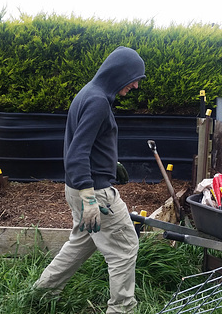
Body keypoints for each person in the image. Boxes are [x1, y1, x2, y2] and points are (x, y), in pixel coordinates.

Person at [34, 46, 145, 313]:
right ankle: (122, 309)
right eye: (135, 78)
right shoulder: (97, 101)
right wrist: (90, 197)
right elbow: (77, 153)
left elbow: (86, 144)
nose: (137, 86)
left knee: (80, 243)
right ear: (119, 73)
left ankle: (41, 293)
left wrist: (109, 164)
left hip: (78, 187)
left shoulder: (90, 93)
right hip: (94, 192)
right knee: (124, 248)